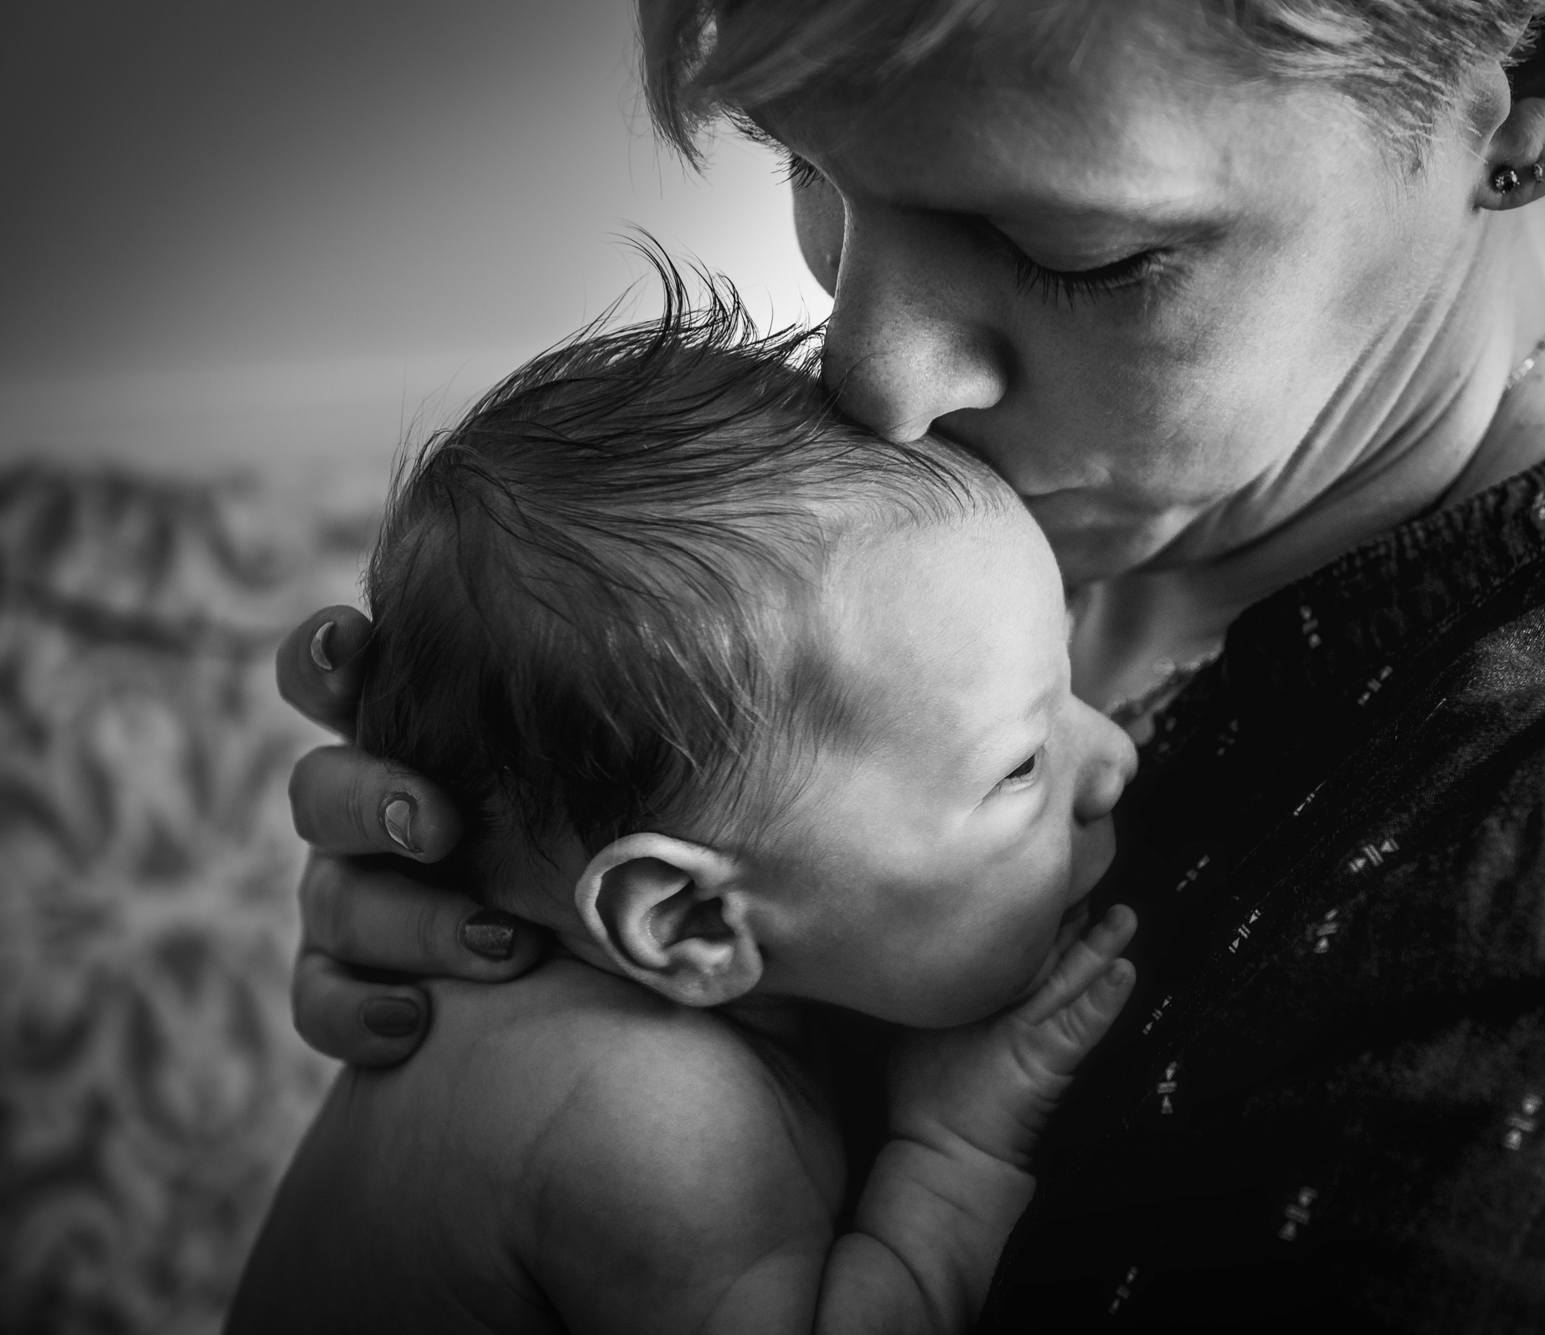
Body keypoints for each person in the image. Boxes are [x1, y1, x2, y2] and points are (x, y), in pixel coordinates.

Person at [276, 0, 1545, 1327]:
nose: (873, 382)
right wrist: (509, 927)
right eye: (806, 167)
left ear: (1525, 81)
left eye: (1073, 250)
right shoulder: (985, 552)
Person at [231, 283, 1142, 1333]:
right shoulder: (652, 1120)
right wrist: (954, 1153)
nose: (1113, 755)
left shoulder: (620, 1025)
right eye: (1021, 764)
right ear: (692, 921)